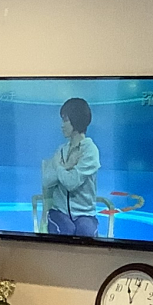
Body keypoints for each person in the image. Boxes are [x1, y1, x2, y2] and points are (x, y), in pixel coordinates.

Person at [39, 96, 101, 238]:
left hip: (85, 214)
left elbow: (71, 183)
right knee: (65, 230)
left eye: (65, 120)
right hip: (59, 212)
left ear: (76, 120)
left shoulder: (90, 151)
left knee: (85, 233)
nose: (62, 125)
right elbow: (46, 181)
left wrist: (59, 167)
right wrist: (66, 166)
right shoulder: (61, 150)